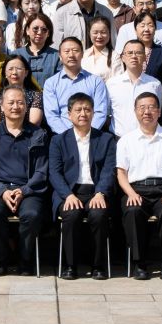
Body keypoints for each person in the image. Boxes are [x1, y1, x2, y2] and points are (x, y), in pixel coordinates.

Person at [0, 86, 50, 276]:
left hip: (28, 190)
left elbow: (41, 171)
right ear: (1, 106)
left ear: (26, 106)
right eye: (10, 102)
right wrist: (3, 191)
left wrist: (24, 191)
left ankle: (25, 260)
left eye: (20, 102)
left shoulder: (38, 134)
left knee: (32, 214)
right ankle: (2, 259)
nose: (15, 107)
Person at [116, 92, 162, 281]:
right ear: (135, 112)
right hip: (136, 189)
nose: (146, 112)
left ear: (159, 111)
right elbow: (121, 173)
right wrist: (130, 193)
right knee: (132, 211)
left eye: (151, 107)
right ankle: (139, 263)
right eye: (142, 108)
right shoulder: (126, 140)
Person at [48, 93, 117, 281]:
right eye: (78, 110)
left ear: (93, 113)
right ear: (69, 114)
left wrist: (100, 193)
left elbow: (109, 170)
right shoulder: (58, 141)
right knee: (71, 215)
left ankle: (98, 265)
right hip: (70, 192)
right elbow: (54, 173)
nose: (83, 114)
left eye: (87, 109)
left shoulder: (106, 139)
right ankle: (70, 265)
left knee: (99, 215)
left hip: (96, 191)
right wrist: (68, 195)